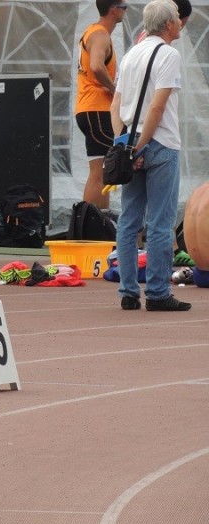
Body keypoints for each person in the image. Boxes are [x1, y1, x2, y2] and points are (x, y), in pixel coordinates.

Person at [111, 0, 190, 312]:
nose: (180, 24)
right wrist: (143, 145)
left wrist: (125, 144)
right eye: (177, 20)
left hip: (131, 142)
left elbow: (115, 106)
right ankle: (158, 293)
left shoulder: (132, 54)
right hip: (160, 144)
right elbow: (157, 107)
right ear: (169, 24)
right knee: (159, 222)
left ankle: (128, 291)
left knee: (128, 221)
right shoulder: (169, 55)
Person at [74, 0, 127, 209]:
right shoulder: (100, 34)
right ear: (113, 10)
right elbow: (96, 66)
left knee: (99, 172)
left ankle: (92, 226)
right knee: (102, 174)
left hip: (89, 109)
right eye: (124, 7)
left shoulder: (93, 32)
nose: (126, 10)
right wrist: (116, 91)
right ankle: (93, 227)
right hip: (97, 110)